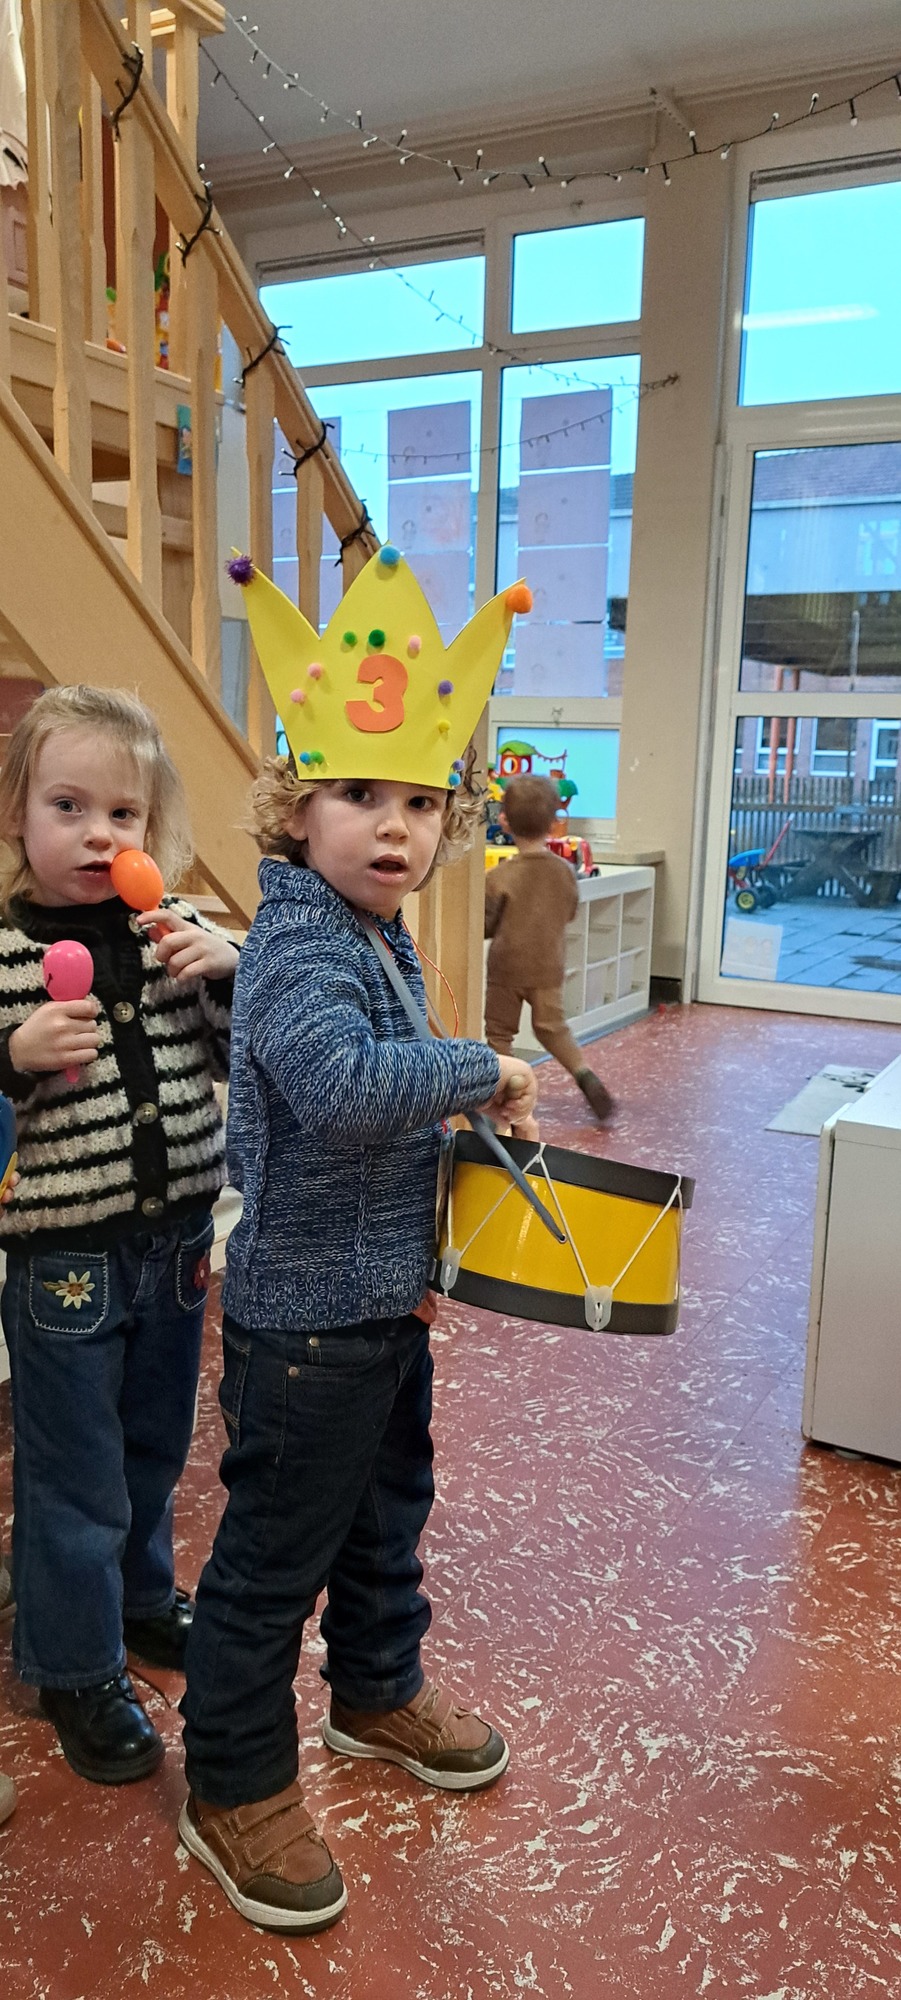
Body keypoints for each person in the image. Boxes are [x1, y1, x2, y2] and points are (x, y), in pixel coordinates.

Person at [178, 546, 539, 1934]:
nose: (394, 828)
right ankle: (233, 1782)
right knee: (274, 1555)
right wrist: (477, 1066)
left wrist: (429, 1247)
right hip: (304, 1331)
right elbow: (338, 1089)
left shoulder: (377, 932)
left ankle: (376, 1692)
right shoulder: (300, 945)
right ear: (294, 808)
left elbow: (390, 1116)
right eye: (358, 796)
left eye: (419, 802)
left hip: (380, 1306)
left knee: (387, 1522)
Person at [0, 685, 238, 1785]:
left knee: (154, 1445)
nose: (100, 834)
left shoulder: (171, 931)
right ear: (18, 816)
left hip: (179, 1245)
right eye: (69, 806)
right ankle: (74, 1662)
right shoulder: (7, 951)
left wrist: (231, 971)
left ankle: (140, 1599)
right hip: (67, 1263)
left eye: (124, 813)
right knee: (76, 1471)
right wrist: (13, 1053)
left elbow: (240, 1050)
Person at [485, 774, 614, 1122]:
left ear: (504, 821)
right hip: (548, 967)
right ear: (553, 822)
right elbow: (570, 911)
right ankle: (584, 1074)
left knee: (499, 1033)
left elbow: (486, 925)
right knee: (552, 1027)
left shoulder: (499, 876)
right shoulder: (564, 871)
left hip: (506, 968)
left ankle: (506, 1095)